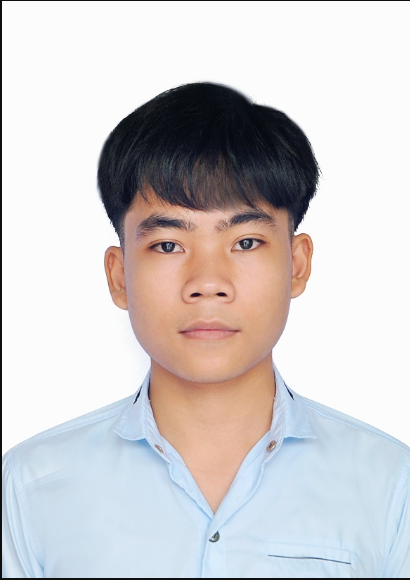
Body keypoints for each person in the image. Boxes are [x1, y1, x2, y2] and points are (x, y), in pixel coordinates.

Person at [2, 82, 409, 579]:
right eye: (168, 245)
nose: (208, 283)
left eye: (246, 242)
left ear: (298, 265)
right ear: (119, 276)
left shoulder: (390, 485)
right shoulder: (30, 487)